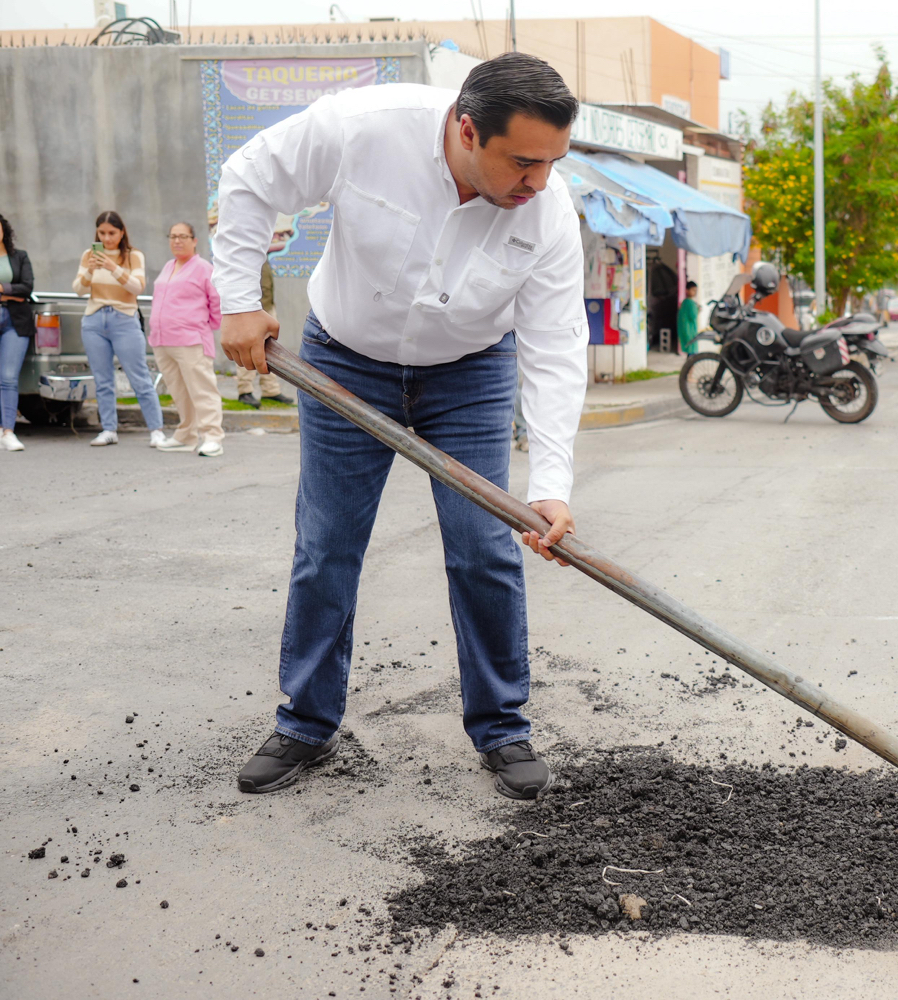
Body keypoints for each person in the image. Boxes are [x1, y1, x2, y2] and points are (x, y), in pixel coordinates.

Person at [215, 54, 588, 799]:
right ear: (466, 128)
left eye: (552, 162)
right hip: (345, 359)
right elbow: (250, 177)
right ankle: (305, 722)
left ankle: (502, 727)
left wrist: (550, 484)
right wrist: (236, 297)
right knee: (326, 546)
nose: (538, 182)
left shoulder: (547, 212)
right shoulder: (361, 129)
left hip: (471, 372)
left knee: (485, 547)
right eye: (522, 162)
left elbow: (554, 347)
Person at [74, 211, 166, 448]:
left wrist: (113, 267)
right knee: (103, 379)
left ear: (122, 232)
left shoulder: (133, 256)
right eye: (102, 233)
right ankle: (108, 429)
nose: (106, 238)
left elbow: (137, 287)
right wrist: (90, 271)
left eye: (112, 233)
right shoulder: (89, 255)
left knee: (140, 377)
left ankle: (156, 430)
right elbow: (79, 290)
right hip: (94, 320)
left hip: (124, 319)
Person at [149, 222, 225, 457]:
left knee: (202, 389)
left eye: (182, 236)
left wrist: (202, 327)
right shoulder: (168, 266)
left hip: (190, 339)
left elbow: (217, 303)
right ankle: (186, 435)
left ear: (194, 240)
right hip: (163, 340)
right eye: (172, 236)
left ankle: (213, 436)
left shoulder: (203, 268)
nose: (177, 241)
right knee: (179, 391)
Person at [234, 261, 295, 408]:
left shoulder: (263, 254)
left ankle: (270, 390)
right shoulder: (245, 252)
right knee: (248, 350)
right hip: (251, 311)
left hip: (267, 308)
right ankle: (245, 391)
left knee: (270, 351)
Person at [1, 213, 35, 452]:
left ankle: (8, 431)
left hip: (15, 322)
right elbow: (20, 290)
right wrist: (13, 293)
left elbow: (28, 287)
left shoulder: (19, 256)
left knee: (8, 378)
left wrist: (3, 289)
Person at [676, 280, 699, 355]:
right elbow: (693, 316)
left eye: (695, 290)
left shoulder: (684, 302)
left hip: (685, 330)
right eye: (693, 290)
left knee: (689, 352)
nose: (695, 292)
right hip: (691, 331)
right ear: (687, 290)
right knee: (692, 353)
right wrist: (698, 309)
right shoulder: (691, 303)